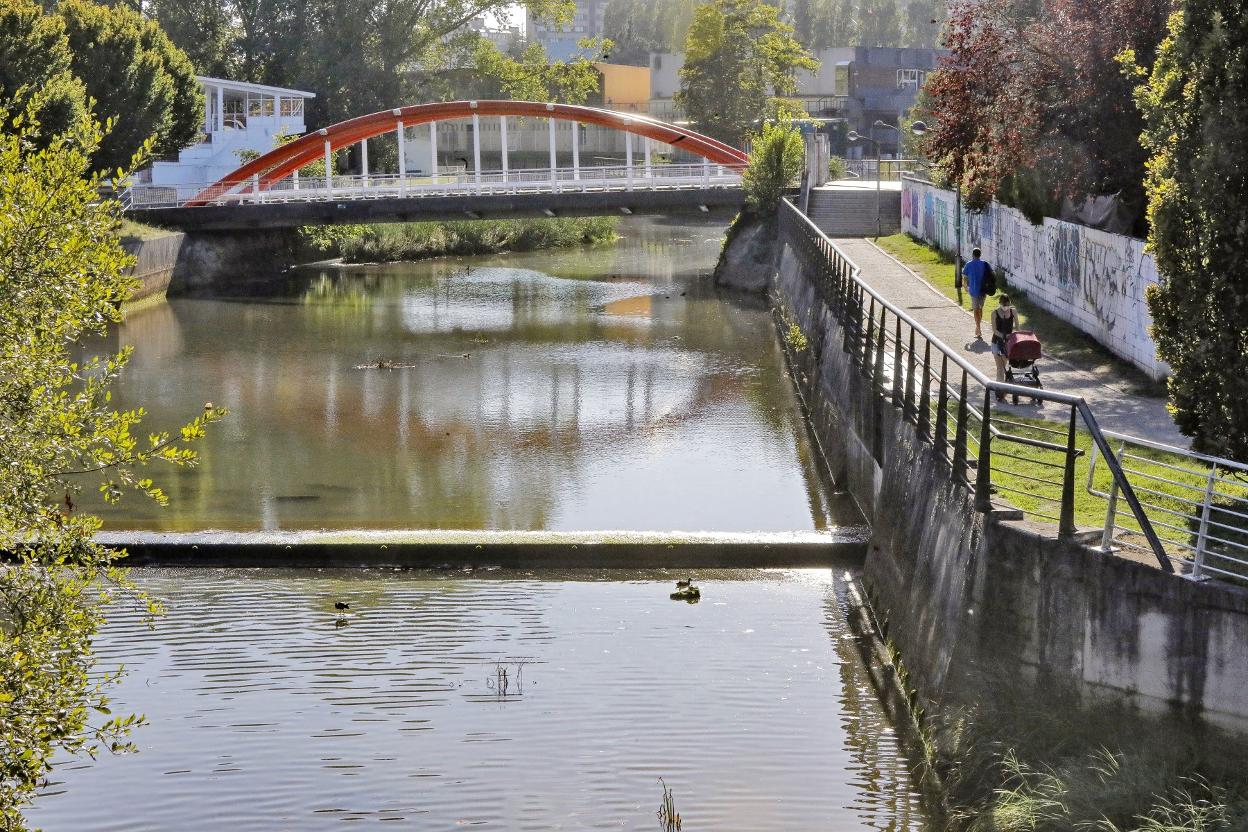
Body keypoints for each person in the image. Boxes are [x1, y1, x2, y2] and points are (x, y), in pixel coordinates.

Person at [990, 293, 1018, 400]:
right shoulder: (995, 313)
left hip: (1007, 343)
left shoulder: (1013, 311)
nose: (1005, 306)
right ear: (1000, 303)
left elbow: (1017, 327)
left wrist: (1014, 336)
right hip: (997, 342)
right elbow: (995, 330)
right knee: (1000, 367)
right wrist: (1004, 336)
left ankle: (1002, 388)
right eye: (1003, 304)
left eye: (1007, 304)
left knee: (1004, 366)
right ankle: (999, 390)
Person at [962, 248, 991, 339]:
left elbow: (965, 277)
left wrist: (965, 286)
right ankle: (978, 328)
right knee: (980, 308)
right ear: (980, 254)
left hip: (973, 290)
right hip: (983, 290)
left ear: (973, 254)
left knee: (975, 310)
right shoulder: (985, 264)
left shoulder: (969, 264)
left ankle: (978, 328)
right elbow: (991, 274)